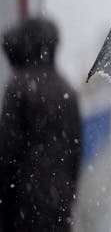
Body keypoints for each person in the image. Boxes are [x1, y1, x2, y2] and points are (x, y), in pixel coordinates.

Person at [0, 17, 82, 232]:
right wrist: (66, 194)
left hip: (23, 205)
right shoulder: (66, 89)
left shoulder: (18, 87)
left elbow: (7, 151)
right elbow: (76, 152)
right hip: (59, 203)